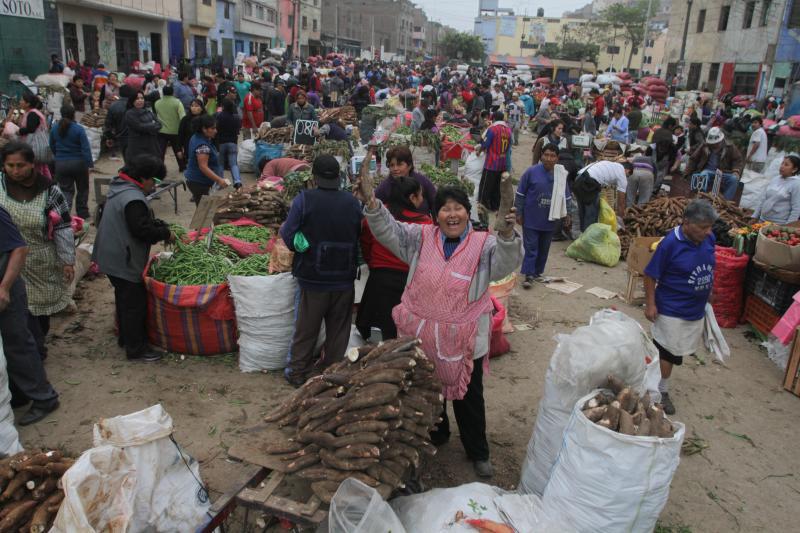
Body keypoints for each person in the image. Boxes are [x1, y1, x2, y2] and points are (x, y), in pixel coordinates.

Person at [355, 172, 523, 479]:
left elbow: (505, 263)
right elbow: (389, 230)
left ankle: (478, 451)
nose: (452, 214)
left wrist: (509, 236)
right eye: (445, 209)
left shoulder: (483, 245)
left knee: (469, 398)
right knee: (428, 391)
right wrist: (373, 206)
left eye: (458, 207)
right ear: (436, 216)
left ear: (467, 213)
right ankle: (438, 433)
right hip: (422, 337)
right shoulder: (420, 238)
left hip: (463, 341)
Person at [280, 155, 362, 387]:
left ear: (314, 178)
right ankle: (332, 373)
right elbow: (359, 234)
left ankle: (297, 372)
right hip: (344, 279)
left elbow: (287, 234)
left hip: (312, 278)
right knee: (338, 331)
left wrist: (298, 243)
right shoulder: (352, 202)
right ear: (338, 177)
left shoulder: (304, 200)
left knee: (307, 328)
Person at [93, 156, 175, 363]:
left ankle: (126, 338)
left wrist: (158, 224)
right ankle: (136, 349)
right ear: (143, 178)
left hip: (110, 254)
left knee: (124, 298)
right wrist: (166, 234)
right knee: (134, 303)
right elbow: (141, 229)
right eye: (153, 181)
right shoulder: (133, 198)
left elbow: (141, 221)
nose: (154, 185)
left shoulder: (119, 187)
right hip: (123, 257)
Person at [0, 141, 74, 365]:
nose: (15, 171)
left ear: (32, 164)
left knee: (38, 313)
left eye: (20, 165)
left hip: (40, 259)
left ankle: (37, 348)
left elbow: (62, 226)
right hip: (7, 260)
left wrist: (67, 260)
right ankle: (29, 354)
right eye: (9, 166)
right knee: (17, 311)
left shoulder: (50, 190)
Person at [644, 199, 717, 415]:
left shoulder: (709, 238)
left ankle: (656, 380)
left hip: (695, 308)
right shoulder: (670, 244)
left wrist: (709, 293)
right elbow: (650, 275)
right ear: (686, 222)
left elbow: (710, 265)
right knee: (668, 352)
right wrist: (651, 304)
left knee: (678, 352)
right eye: (703, 227)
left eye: (709, 226)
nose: (708, 231)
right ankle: (661, 390)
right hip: (671, 309)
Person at [0, 200, 59, 426]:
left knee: (17, 344)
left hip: (6, 287)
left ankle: (44, 398)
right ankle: (19, 393)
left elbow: (19, 248)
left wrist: (4, 287)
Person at [356, 176, 432, 341]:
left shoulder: (378, 214)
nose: (422, 199)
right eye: (420, 195)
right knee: (402, 326)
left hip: (379, 278)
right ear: (412, 197)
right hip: (407, 279)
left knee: (384, 324)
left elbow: (366, 241)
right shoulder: (425, 223)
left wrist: (373, 263)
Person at [515, 144, 571, 288]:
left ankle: (537, 272)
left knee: (544, 247)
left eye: (552, 156)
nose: (548, 158)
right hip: (531, 217)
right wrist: (518, 212)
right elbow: (520, 193)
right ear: (541, 156)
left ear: (557, 158)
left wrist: (567, 215)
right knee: (531, 247)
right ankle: (528, 275)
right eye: (546, 155)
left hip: (550, 219)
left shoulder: (561, 175)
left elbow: (567, 196)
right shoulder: (531, 172)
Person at [49, 104, 93, 219]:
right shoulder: (78, 129)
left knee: (66, 190)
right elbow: (85, 148)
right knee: (82, 188)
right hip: (79, 163)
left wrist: (58, 156)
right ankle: (82, 213)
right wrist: (89, 164)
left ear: (62, 114)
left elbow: (51, 145)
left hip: (61, 164)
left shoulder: (54, 128)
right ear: (73, 114)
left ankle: (64, 213)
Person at [374, 145, 437, 216]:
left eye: (399, 164)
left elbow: (435, 204)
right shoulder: (385, 187)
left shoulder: (422, 181)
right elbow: (373, 207)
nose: (395, 168)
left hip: (423, 225)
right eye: (392, 165)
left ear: (409, 165)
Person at [685, 127, 743, 200]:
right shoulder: (705, 146)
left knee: (734, 179)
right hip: (707, 171)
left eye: (716, 143)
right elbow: (693, 159)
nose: (713, 145)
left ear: (720, 140)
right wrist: (687, 172)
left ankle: (725, 202)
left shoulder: (730, 147)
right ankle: (701, 197)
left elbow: (737, 160)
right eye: (712, 143)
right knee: (703, 175)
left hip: (722, 173)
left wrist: (736, 171)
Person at [573, 160, 631, 231]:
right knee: (591, 213)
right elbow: (621, 201)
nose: (626, 177)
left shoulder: (611, 164)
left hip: (578, 179)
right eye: (628, 175)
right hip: (589, 182)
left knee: (583, 211)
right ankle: (589, 237)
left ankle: (583, 235)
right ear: (627, 170)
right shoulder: (622, 172)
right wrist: (620, 219)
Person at [184, 114, 227, 204]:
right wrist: (219, 180)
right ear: (204, 129)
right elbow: (203, 167)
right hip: (199, 182)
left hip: (196, 181)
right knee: (204, 212)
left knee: (203, 209)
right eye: (212, 128)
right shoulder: (203, 146)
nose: (216, 131)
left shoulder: (197, 137)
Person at [476, 111, 512, 212]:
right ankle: (495, 205)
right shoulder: (508, 130)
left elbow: (485, 144)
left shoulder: (493, 129)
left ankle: (484, 205)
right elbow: (509, 146)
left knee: (486, 185)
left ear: (494, 118)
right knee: (497, 186)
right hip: (502, 162)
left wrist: (480, 151)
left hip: (491, 162)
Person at [753, 155, 800, 224]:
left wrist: (787, 227)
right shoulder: (775, 179)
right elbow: (763, 198)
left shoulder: (796, 184)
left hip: (777, 225)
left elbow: (796, 209)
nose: (782, 166)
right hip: (762, 220)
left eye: (786, 165)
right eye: (782, 163)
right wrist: (755, 216)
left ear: (794, 169)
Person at [16, 94, 51, 179]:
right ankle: (47, 184)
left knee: (36, 167)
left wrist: (19, 131)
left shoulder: (32, 114)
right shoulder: (30, 113)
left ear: (27, 104)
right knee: (41, 167)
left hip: (33, 145)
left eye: (22, 100)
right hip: (34, 145)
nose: (20, 102)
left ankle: (42, 185)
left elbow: (31, 129)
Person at [154, 85, 187, 171]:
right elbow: (183, 117)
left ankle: (160, 169)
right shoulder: (177, 102)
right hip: (175, 131)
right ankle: (182, 167)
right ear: (173, 92)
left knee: (161, 152)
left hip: (161, 131)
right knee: (178, 150)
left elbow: (156, 116)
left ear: (163, 92)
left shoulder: (157, 103)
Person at [123, 91, 162, 165]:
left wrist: (148, 125)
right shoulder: (130, 113)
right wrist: (152, 124)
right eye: (137, 98)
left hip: (152, 144)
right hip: (138, 146)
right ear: (132, 100)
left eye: (142, 98)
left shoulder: (148, 111)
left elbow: (159, 124)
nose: (140, 100)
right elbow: (139, 127)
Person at [215, 99, 243, 189]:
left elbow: (216, 129)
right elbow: (238, 131)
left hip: (221, 143)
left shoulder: (218, 116)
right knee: (233, 164)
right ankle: (237, 181)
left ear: (223, 107)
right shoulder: (236, 117)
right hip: (233, 142)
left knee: (220, 164)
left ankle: (220, 182)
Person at [104, 85, 133, 160]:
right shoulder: (136, 104)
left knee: (127, 158)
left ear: (120, 93)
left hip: (122, 136)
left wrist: (109, 137)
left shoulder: (114, 106)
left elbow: (108, 124)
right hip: (136, 136)